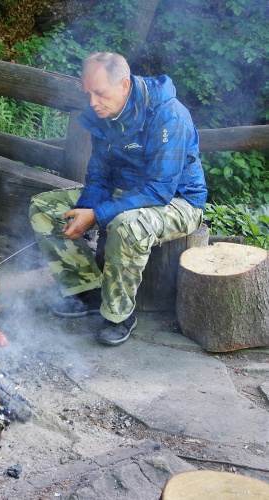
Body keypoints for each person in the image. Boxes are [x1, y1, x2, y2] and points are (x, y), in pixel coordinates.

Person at [29, 52, 207, 346]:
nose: (92, 103)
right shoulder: (106, 114)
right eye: (88, 94)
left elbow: (160, 189)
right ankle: (86, 290)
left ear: (124, 85)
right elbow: (98, 175)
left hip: (177, 201)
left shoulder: (169, 115)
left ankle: (118, 314)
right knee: (46, 208)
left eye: (99, 93)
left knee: (127, 225)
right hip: (125, 192)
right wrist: (86, 209)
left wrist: (98, 215)